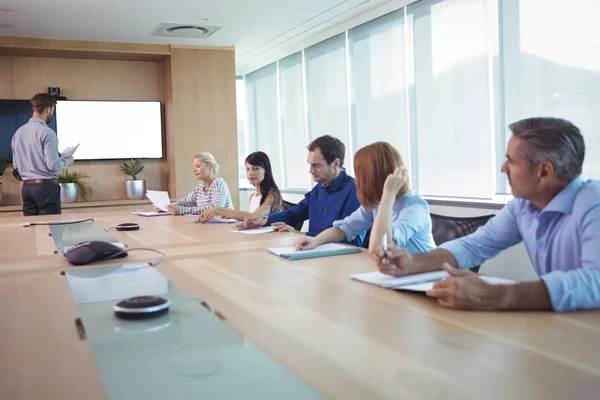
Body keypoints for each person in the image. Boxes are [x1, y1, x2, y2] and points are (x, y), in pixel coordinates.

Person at [375, 117, 600, 312]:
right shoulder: (522, 206)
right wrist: (413, 263)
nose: (503, 168)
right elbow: (473, 246)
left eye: (511, 160)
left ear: (543, 171)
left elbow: (595, 281)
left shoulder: (593, 203)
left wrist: (498, 295)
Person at [293, 142, 435, 255]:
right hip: (396, 275)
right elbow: (344, 229)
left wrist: (388, 196)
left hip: (423, 283)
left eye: (361, 174)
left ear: (374, 176)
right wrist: (315, 241)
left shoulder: (414, 206)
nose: (358, 180)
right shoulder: (376, 203)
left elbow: (381, 248)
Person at [237, 135, 365, 247]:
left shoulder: (355, 191)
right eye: (309, 164)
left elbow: (351, 241)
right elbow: (293, 214)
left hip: (340, 263)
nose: (310, 170)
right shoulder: (319, 189)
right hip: (313, 257)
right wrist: (264, 220)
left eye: (316, 165)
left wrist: (302, 234)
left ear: (336, 163)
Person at [11, 93, 74, 216]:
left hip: (27, 189)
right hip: (46, 188)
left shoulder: (18, 133)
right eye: (52, 110)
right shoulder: (48, 133)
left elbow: (16, 165)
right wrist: (68, 161)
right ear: (48, 109)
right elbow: (53, 166)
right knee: (51, 230)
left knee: (31, 230)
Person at [199, 151, 283, 222]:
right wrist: (234, 217)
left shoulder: (272, 195)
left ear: (266, 170)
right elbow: (251, 219)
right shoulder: (252, 196)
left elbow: (255, 217)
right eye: (247, 169)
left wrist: (219, 210)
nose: (250, 173)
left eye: (256, 168)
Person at [157, 152, 232, 215]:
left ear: (210, 166)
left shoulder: (219, 183)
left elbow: (215, 208)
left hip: (224, 227)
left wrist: (182, 210)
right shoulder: (200, 187)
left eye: (198, 166)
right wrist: (166, 207)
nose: (194, 170)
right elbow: (184, 202)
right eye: (194, 167)